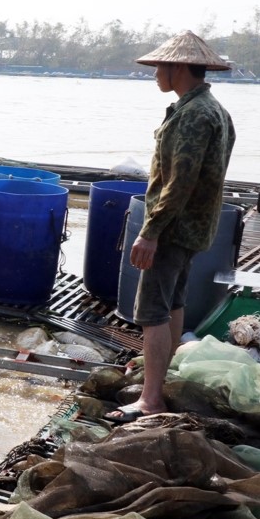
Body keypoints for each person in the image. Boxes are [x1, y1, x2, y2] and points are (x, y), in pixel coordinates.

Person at [106, 31, 235, 424]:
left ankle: (150, 400)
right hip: (194, 227)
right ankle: (163, 377)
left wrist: (151, 231)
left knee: (151, 311)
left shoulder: (195, 115)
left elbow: (181, 181)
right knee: (173, 302)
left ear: (178, 68)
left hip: (174, 227)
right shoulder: (213, 110)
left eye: (160, 67)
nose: (155, 74)